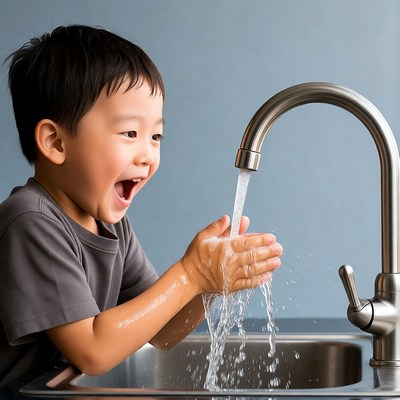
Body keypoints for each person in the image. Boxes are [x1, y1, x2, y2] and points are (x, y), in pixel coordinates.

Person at [0, 25, 282, 387]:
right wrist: (191, 274)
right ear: (55, 142)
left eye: (156, 136)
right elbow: (93, 350)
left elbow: (162, 332)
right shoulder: (30, 222)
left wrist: (209, 284)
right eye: (130, 134)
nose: (148, 155)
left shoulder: (112, 225)